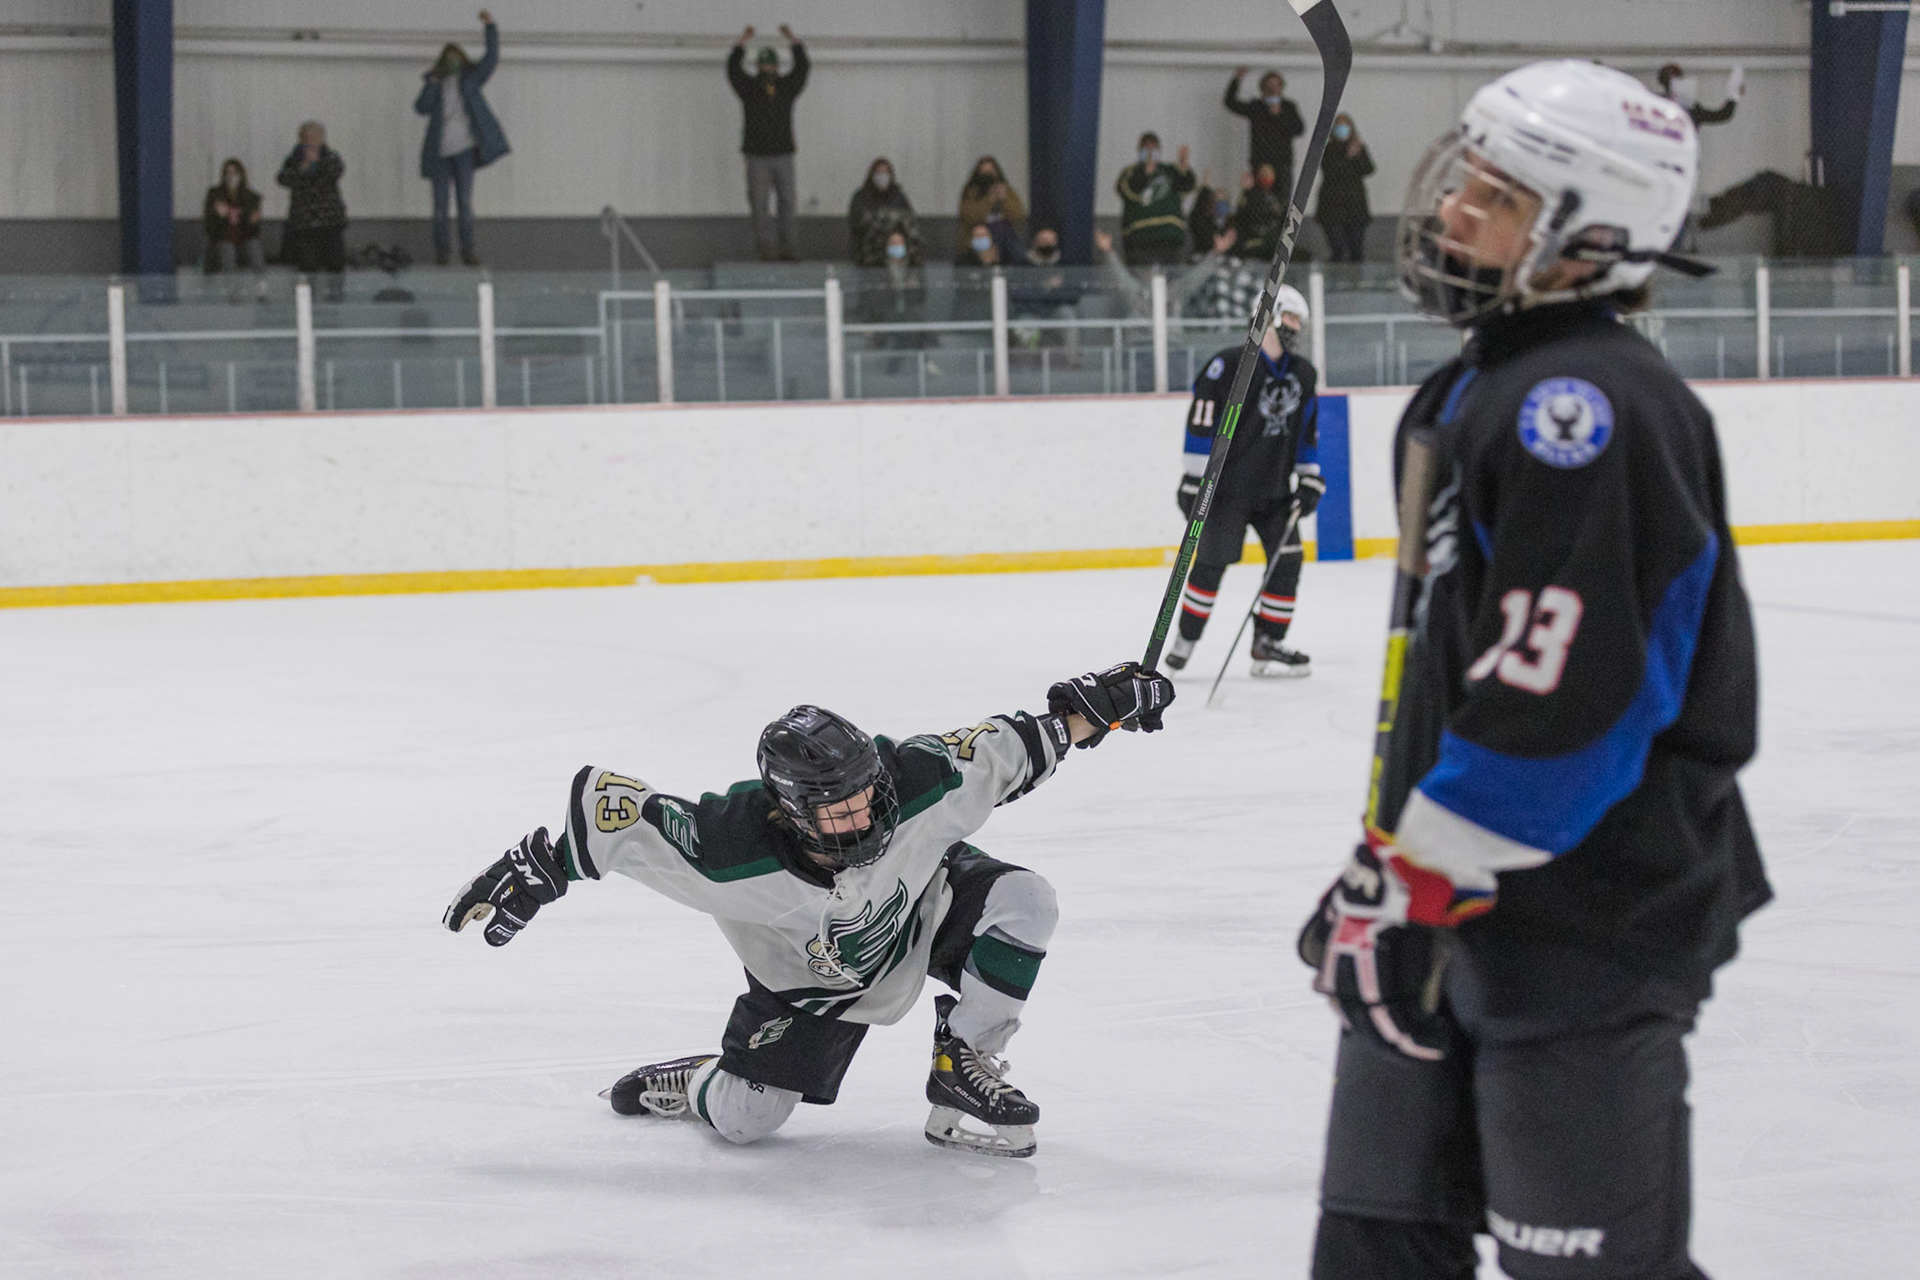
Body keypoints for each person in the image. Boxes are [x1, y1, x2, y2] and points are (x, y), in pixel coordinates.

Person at [1296, 61, 1769, 1279]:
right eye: (1467, 181)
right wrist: (1389, 864)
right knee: (1376, 1243)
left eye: (1498, 198)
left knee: (1588, 1267)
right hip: (1445, 898)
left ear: (1590, 238)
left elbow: (1572, 700)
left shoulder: (1588, 406)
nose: (1455, 210)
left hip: (1583, 926)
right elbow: (1456, 672)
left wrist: (1411, 878)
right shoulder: (1482, 381)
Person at [443, 667, 1175, 1159]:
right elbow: (622, 820)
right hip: (811, 984)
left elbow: (1018, 743)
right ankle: (694, 1082)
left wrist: (1103, 705)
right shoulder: (730, 848)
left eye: (866, 793)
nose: (862, 814)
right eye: (837, 808)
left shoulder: (921, 777)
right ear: (792, 811)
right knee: (746, 1121)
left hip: (922, 912)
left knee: (1027, 899)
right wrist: (539, 866)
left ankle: (964, 1059)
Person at [1166, 285, 1321, 678]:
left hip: (1275, 491)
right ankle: (1186, 637)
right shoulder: (1228, 365)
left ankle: (1268, 641)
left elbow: (1306, 432)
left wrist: (1309, 478)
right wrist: (1194, 477)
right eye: (1290, 318)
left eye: (1299, 321)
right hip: (1226, 492)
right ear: (1271, 315)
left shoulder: (1303, 373)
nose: (1296, 327)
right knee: (1212, 563)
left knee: (1287, 561)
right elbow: (1201, 423)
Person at [413, 10, 509, 267]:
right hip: (439, 153)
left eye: (456, 57)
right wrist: (432, 81)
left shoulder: (470, 80)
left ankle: (468, 251)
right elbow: (421, 107)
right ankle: (442, 251)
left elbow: (491, 58)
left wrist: (490, 27)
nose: (452, 62)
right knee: (440, 208)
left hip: (465, 150)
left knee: (464, 204)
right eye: (448, 58)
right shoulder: (436, 84)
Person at [727, 25, 810, 262]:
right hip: (756, 157)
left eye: (770, 65)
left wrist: (794, 41)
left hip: (783, 154)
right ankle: (767, 251)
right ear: (757, 67)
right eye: (763, 65)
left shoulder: (786, 87)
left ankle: (789, 249)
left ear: (776, 66)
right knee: (759, 206)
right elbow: (732, 70)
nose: (766, 69)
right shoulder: (749, 88)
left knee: (788, 204)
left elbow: (802, 69)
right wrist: (741, 43)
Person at [277, 121, 348, 297]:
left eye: (316, 138)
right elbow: (283, 179)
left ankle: (336, 296)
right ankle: (309, 300)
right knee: (308, 266)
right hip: (304, 223)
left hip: (330, 221)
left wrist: (318, 164)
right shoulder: (293, 160)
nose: (313, 143)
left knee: (335, 264)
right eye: (308, 139)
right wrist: (303, 168)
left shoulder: (330, 157)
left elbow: (336, 171)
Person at [1115, 132, 1197, 267]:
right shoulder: (1130, 172)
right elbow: (1128, 192)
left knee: (1171, 277)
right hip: (1140, 239)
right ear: (1139, 150)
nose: (1150, 153)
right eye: (1146, 148)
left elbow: (1187, 187)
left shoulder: (1170, 170)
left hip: (1170, 238)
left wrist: (1184, 167)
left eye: (1153, 148)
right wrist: (1146, 172)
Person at [1225, 68, 1305, 195]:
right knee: (1258, 200)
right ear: (1262, 88)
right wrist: (1237, 79)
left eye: (1276, 85)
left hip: (1282, 164)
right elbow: (1230, 103)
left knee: (1282, 201)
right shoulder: (1256, 106)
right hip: (1260, 163)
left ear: (1281, 87)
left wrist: (1280, 116)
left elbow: (1299, 130)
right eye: (1269, 85)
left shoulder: (1288, 107)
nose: (1272, 89)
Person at [1315, 114, 1375, 263]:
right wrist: (1348, 157)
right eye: (1339, 126)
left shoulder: (1358, 148)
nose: (1342, 129)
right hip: (1332, 206)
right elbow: (1331, 171)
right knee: (1337, 250)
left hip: (1355, 206)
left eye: (1345, 126)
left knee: (1356, 250)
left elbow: (1368, 169)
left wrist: (1357, 155)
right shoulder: (1328, 150)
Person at [202, 158, 265, 298]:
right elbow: (209, 227)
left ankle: (261, 289)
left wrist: (253, 220)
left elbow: (255, 230)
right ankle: (232, 292)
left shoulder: (251, 197)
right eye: (228, 173)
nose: (231, 177)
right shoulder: (215, 195)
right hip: (224, 237)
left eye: (235, 173)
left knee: (254, 248)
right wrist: (218, 216)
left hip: (245, 237)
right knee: (227, 249)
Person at [848, 157, 920, 268]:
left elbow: (909, 220)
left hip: (897, 255)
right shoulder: (861, 197)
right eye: (879, 173)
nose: (882, 177)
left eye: (885, 173)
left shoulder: (898, 196)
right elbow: (859, 222)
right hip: (868, 255)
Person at [955, 157, 1025, 263]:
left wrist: (1004, 199)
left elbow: (1018, 215)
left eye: (991, 172)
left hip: (1005, 234)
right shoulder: (971, 193)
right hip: (979, 234)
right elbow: (971, 217)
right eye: (984, 173)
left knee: (1017, 252)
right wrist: (990, 199)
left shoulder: (1006, 190)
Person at [1656, 62, 1743, 130]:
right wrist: (1734, 96)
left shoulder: (1655, 103)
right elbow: (1722, 115)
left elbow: (1722, 115)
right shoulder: (1690, 108)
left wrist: (1734, 96)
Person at [1232, 164, 1287, 262]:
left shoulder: (1280, 197)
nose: (1265, 177)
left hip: (1274, 240)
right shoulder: (1250, 196)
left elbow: (1283, 219)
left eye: (1268, 174)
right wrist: (1245, 191)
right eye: (1262, 174)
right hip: (1253, 239)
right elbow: (1241, 217)